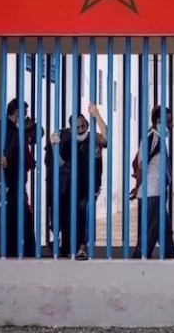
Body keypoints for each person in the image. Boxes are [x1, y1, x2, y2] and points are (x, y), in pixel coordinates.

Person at [50, 103, 107, 260]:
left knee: (84, 215)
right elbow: (60, 163)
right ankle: (69, 247)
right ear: (71, 129)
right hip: (73, 186)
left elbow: (106, 139)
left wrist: (97, 115)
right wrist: (54, 145)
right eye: (77, 127)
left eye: (83, 125)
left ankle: (82, 248)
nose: (81, 129)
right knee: (70, 215)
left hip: (90, 186)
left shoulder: (94, 138)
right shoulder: (69, 143)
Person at [0, 98, 37, 258]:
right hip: (11, 183)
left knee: (7, 219)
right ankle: (25, 253)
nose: (25, 117)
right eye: (24, 113)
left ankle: (8, 253)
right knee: (23, 218)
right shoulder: (12, 131)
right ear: (17, 112)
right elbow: (8, 157)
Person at [131, 106, 174, 259]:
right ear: (159, 121)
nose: (171, 125)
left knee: (164, 232)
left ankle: (171, 260)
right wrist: (137, 187)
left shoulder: (157, 138)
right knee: (149, 234)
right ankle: (138, 262)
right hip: (152, 193)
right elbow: (141, 166)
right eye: (168, 121)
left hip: (156, 193)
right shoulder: (152, 138)